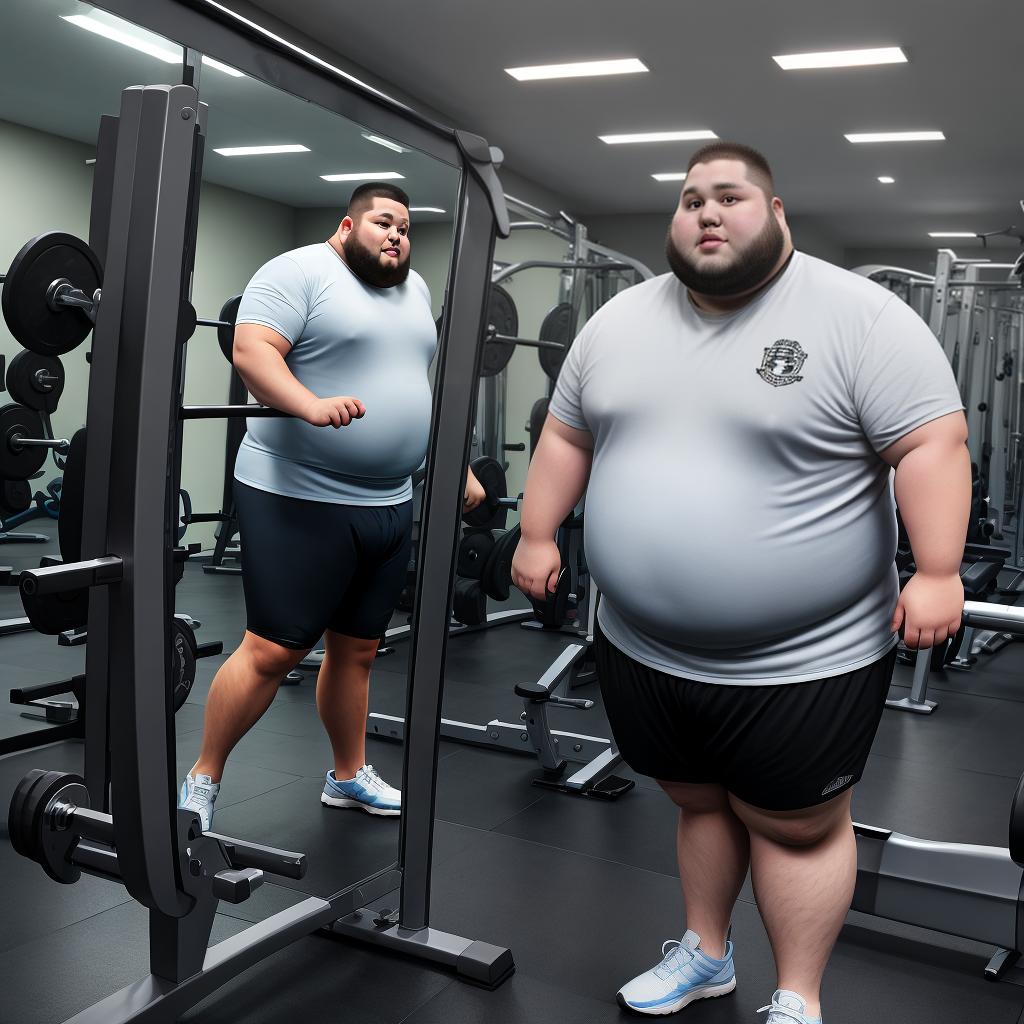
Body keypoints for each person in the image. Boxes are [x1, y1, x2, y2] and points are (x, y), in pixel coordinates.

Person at [511, 142, 969, 1023]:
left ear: (778, 211)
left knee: (796, 825)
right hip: (644, 641)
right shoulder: (617, 324)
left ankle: (797, 997)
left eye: (730, 197)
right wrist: (535, 532)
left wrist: (940, 569)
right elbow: (567, 435)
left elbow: (932, 444)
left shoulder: (859, 318)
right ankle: (706, 954)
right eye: (690, 200)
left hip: (807, 656)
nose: (706, 212)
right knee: (698, 799)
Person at [179, 182, 485, 830]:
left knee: (359, 651)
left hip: (389, 501)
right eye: (383, 223)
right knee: (273, 649)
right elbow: (252, 351)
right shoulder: (296, 272)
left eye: (405, 227)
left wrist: (448, 459)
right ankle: (202, 779)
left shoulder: (417, 290)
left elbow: (412, 383)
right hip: (299, 492)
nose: (397, 235)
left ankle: (347, 776)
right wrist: (308, 404)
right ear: (347, 227)